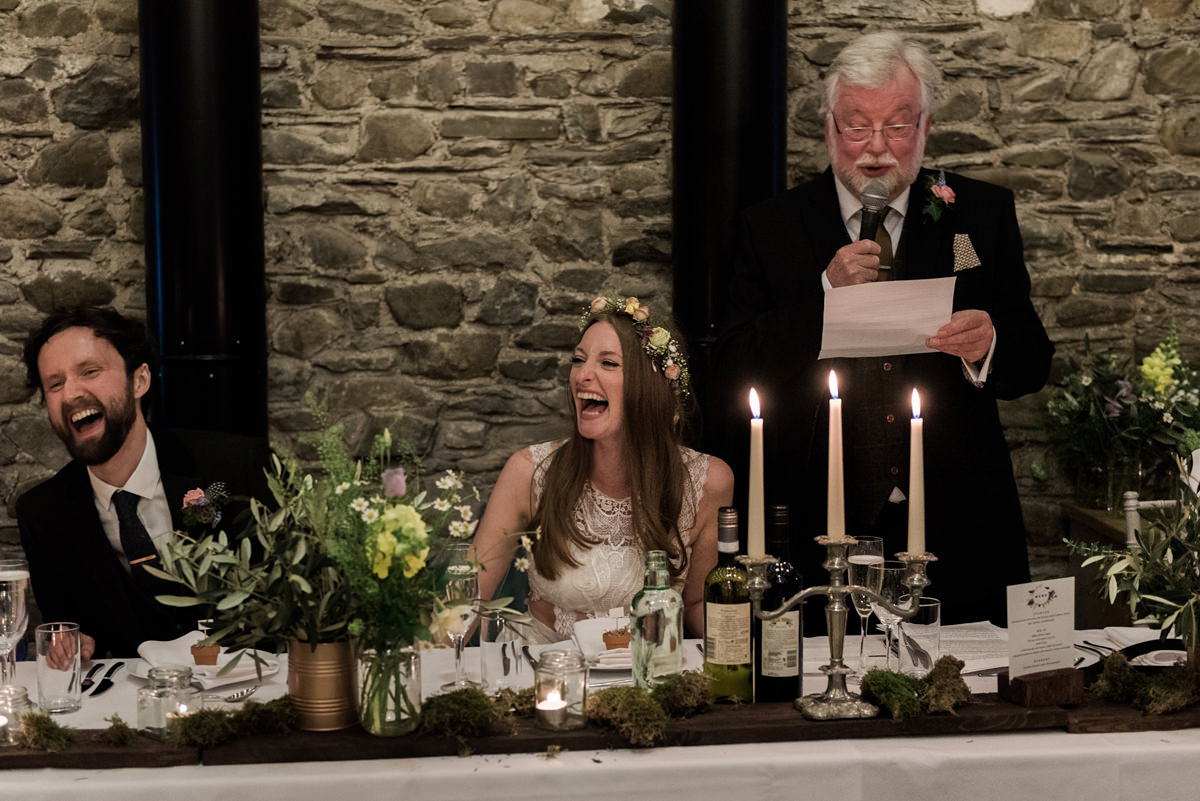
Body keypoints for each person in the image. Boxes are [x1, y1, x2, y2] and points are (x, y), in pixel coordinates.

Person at [716, 32, 1053, 627]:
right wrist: (823, 297)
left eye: (898, 127)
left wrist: (990, 342)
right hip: (817, 522)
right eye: (857, 127)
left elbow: (1033, 361)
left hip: (958, 517)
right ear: (828, 128)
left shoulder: (978, 214)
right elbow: (731, 367)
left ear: (926, 127)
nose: (876, 148)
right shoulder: (769, 227)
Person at [16, 307, 270, 659]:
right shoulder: (44, 514)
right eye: (55, 384)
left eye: (89, 371)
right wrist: (74, 645)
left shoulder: (233, 468)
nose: (71, 393)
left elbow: (280, 598)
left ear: (140, 380)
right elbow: (67, 630)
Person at [476, 296, 733, 639]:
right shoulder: (529, 471)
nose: (583, 375)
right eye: (578, 360)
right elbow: (468, 599)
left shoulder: (708, 481)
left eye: (608, 363)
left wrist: (740, 637)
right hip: (547, 675)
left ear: (651, 386)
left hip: (648, 677)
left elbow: (698, 602)